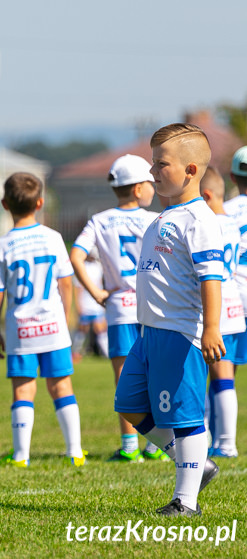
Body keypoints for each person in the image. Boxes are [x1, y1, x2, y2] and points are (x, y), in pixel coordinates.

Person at [114, 123, 223, 516]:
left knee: (185, 415)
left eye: (161, 164)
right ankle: (194, 463)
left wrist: (211, 327)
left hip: (180, 334)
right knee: (127, 403)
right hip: (149, 334)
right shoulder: (164, 217)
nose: (152, 173)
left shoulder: (199, 219)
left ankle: (186, 501)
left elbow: (211, 278)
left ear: (190, 170)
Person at [70, 154, 166, 462]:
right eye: (150, 182)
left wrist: (96, 292)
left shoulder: (99, 220)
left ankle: (129, 446)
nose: (154, 187)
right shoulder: (155, 219)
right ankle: (157, 445)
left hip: (119, 310)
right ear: (138, 189)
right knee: (156, 374)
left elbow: (76, 256)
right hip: (152, 307)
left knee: (124, 378)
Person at [0, 172, 84, 467]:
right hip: (53, 326)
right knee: (62, 386)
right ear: (40, 202)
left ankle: (21, 455)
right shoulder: (53, 238)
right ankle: (75, 452)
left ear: (5, 204)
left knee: (23, 389)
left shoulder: (1, 246)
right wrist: (64, 317)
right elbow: (66, 283)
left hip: (20, 330)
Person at [201, 166, 244, 457]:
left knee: (219, 377)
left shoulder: (209, 224)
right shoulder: (232, 223)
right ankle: (222, 441)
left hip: (216, 309)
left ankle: (224, 443)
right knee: (224, 376)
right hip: (235, 305)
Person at [219, 145, 247, 457]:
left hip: (234, 298)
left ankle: (224, 442)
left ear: (232, 176)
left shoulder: (224, 210)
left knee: (223, 371)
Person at [70, 249, 108, 361]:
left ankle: (107, 354)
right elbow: (78, 289)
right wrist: (79, 305)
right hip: (86, 303)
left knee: (100, 328)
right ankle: (75, 352)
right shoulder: (82, 266)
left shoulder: (99, 267)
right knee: (82, 329)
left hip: (96, 303)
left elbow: (101, 284)